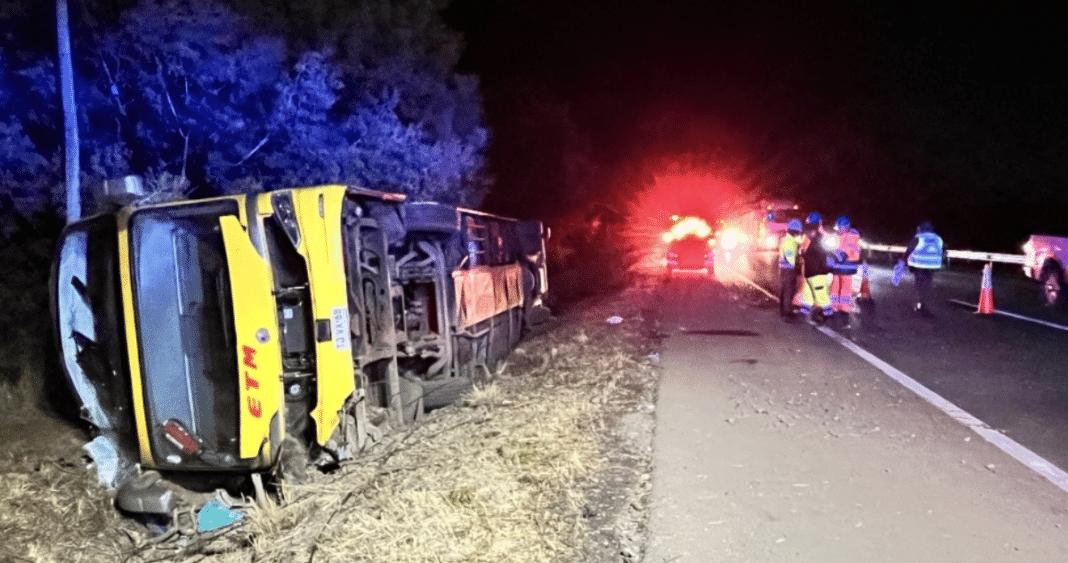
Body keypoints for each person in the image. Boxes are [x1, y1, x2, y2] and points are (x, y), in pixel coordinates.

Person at [798, 213, 834, 323]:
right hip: (812, 272)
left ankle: (828, 316)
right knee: (807, 295)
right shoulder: (811, 236)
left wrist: (822, 231)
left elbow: (804, 252)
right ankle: (803, 314)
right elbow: (803, 252)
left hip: (817, 272)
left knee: (821, 295)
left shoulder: (818, 237)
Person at [904, 220, 945, 313]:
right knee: (927, 283)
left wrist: (906, 261)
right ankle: (923, 301)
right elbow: (943, 251)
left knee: (919, 283)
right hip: (933, 265)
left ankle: (919, 302)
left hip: (918, 265)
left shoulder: (919, 237)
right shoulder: (938, 238)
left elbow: (909, 250)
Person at [829, 215, 862, 326]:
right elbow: (830, 246)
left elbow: (847, 250)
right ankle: (835, 309)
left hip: (847, 267)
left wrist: (837, 254)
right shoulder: (838, 235)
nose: (839, 229)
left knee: (845, 290)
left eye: (840, 227)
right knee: (835, 287)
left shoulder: (852, 235)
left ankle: (844, 311)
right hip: (838, 267)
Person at [778, 218, 803, 318]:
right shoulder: (789, 241)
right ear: (793, 230)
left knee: (785, 291)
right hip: (788, 270)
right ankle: (787, 313)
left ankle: (784, 311)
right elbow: (790, 257)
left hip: (785, 269)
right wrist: (796, 266)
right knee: (789, 291)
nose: (798, 234)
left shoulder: (788, 239)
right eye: (797, 232)